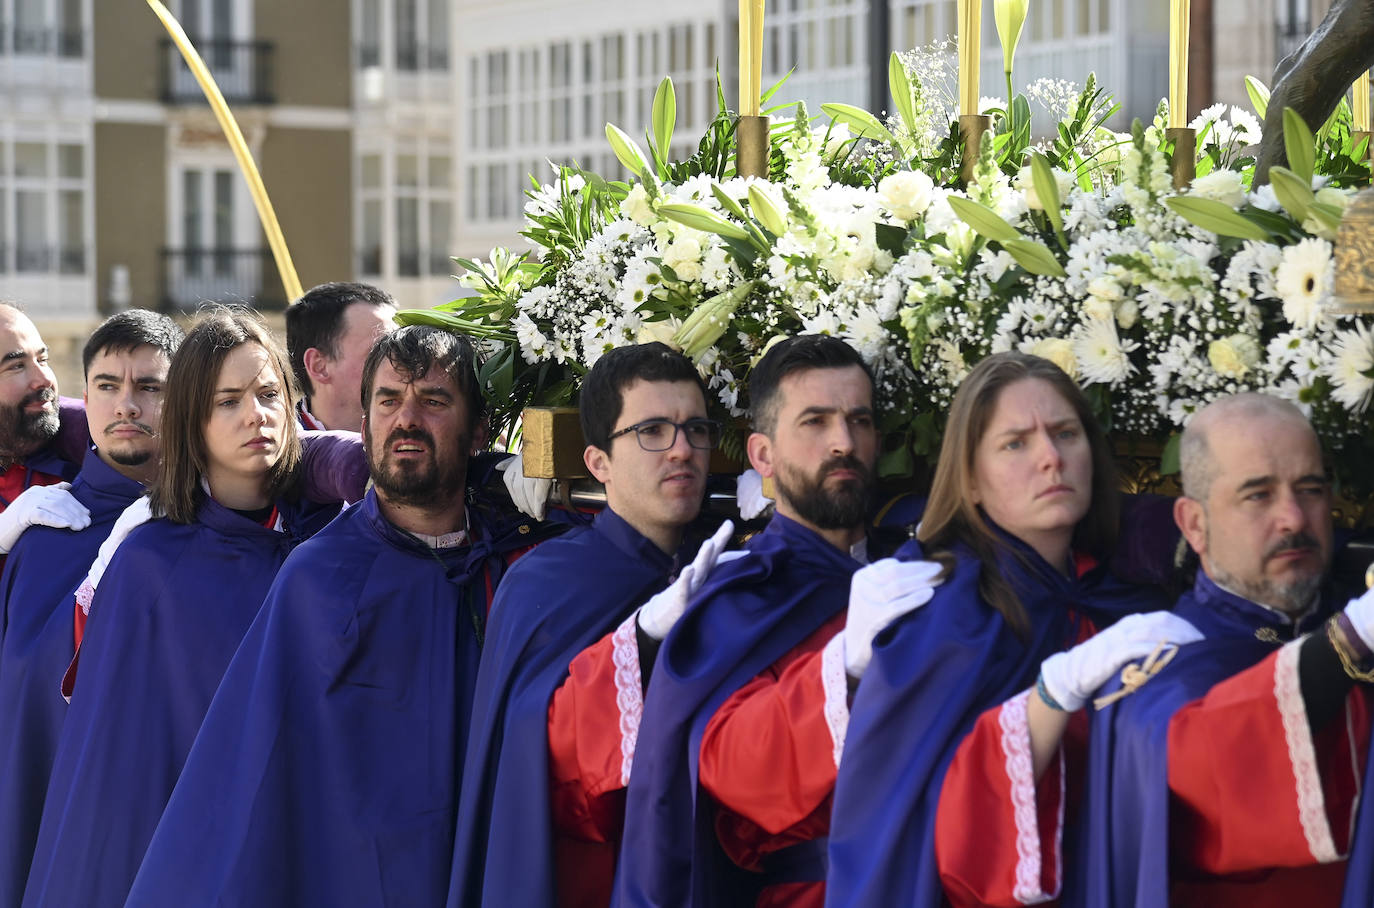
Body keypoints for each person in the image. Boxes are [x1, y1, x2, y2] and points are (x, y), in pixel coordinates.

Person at [125, 325, 559, 907]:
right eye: (388, 400)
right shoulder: (318, 578)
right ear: (364, 428)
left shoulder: (523, 562)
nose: (407, 419)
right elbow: (248, 784)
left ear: (480, 431)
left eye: (433, 401)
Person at [939, 393, 1374, 908]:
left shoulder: (1349, 608)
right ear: (1193, 525)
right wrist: (1354, 638)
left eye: (1311, 489)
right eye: (1257, 495)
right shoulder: (1162, 652)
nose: (1293, 518)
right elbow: (1201, 758)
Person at [822, 352, 1175, 908]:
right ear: (972, 480)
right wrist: (1049, 702)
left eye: (1066, 433)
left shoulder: (1125, 594)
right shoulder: (941, 614)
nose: (1052, 458)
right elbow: (925, 820)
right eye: (1016, 443)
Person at [20, 308, 343, 908]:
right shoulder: (148, 562)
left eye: (269, 394)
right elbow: (115, 774)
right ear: (191, 420)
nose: (256, 415)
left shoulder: (332, 542)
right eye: (228, 401)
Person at [614, 335, 929, 908]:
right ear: (763, 456)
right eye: (815, 421)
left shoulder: (920, 572)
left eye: (859, 420)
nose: (844, 441)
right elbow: (730, 766)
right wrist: (844, 670)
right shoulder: (740, 595)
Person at [453, 342, 729, 908]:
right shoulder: (546, 581)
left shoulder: (731, 573)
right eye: (652, 430)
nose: (682, 451)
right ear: (598, 462)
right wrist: (639, 645)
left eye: (695, 429)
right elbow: (533, 755)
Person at [0, 310, 183, 906]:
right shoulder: (41, 535)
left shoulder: (232, 528)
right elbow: (28, 701)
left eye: (150, 388)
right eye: (107, 387)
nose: (126, 405)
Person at [285, 281, 396, 430]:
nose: (401, 362)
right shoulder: (272, 450)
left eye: (400, 348)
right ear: (319, 366)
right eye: (380, 350)